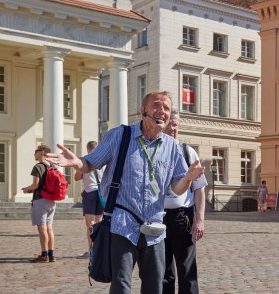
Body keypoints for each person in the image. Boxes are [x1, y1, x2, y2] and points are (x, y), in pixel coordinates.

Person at [46, 91, 205, 294]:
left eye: (166, 107)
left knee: (154, 287)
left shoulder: (172, 147)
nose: (162, 111)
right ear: (143, 110)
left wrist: (188, 178)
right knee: (121, 285)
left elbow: (176, 188)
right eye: (156, 105)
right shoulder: (120, 136)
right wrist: (76, 162)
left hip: (155, 228)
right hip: (122, 224)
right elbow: (89, 163)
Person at [162, 111, 207, 294]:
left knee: (187, 270)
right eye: (170, 124)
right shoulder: (153, 152)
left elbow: (199, 189)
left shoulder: (188, 152)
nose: (173, 128)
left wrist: (200, 219)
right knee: (163, 272)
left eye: (176, 124)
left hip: (182, 218)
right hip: (157, 218)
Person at [22, 144, 56, 263]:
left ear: (41, 152)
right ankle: (51, 254)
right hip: (51, 200)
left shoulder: (38, 167)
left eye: (35, 151)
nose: (34, 154)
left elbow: (35, 185)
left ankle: (44, 255)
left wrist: (27, 189)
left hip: (40, 200)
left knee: (42, 228)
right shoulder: (52, 166)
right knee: (49, 228)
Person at [75, 141, 105, 259]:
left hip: (90, 192)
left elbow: (77, 178)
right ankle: (99, 250)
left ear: (88, 149)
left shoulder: (85, 160)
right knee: (99, 221)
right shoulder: (103, 159)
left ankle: (91, 250)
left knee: (90, 223)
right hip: (102, 192)